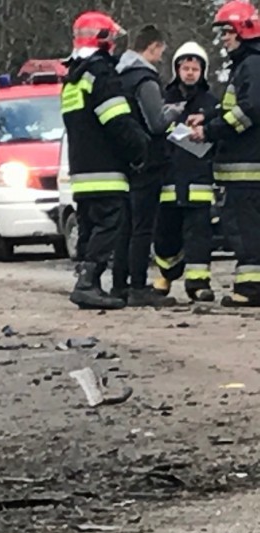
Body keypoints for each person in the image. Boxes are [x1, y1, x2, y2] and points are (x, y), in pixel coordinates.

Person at [62, 11, 150, 309]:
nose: (114, 45)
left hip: (81, 171)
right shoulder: (101, 74)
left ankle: (89, 282)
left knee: (90, 226)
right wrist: (140, 148)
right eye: (111, 39)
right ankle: (87, 283)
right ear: (103, 40)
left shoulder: (73, 78)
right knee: (110, 223)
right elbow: (117, 121)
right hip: (106, 170)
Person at [190, 1, 260, 306]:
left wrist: (210, 131)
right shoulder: (246, 65)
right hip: (243, 168)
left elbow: (250, 109)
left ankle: (251, 289)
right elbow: (233, 105)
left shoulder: (253, 64)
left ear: (245, 31)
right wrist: (208, 117)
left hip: (247, 168)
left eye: (228, 32)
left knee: (245, 230)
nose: (224, 39)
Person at [113, 25, 177, 306]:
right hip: (148, 162)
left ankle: (119, 284)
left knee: (126, 226)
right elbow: (157, 123)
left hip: (126, 161)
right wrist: (176, 111)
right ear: (153, 46)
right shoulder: (145, 79)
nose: (161, 57)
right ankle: (138, 286)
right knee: (142, 228)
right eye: (161, 50)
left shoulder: (120, 76)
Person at [152, 42, 220, 302]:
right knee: (165, 234)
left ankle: (198, 284)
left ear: (203, 72)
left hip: (198, 180)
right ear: (177, 70)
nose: (190, 73)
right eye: (185, 68)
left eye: (195, 69)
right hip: (168, 180)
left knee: (199, 235)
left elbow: (218, 137)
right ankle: (167, 274)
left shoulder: (211, 103)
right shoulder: (164, 100)